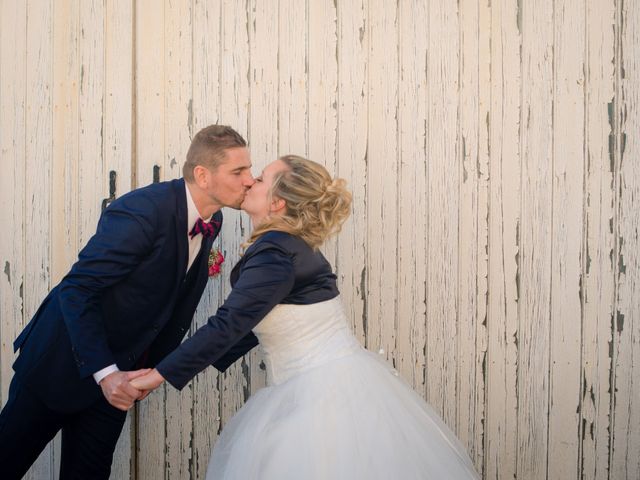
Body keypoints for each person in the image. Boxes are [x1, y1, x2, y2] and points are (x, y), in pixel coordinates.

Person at [131, 155, 480, 479]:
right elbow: (261, 322)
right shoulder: (288, 246)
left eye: (262, 178)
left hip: (321, 399)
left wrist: (158, 375)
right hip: (328, 385)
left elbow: (230, 323)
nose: (250, 181)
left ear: (278, 202)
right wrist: (171, 364)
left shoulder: (276, 253)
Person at [0, 125, 259, 479]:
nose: (249, 179)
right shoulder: (143, 211)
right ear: (203, 175)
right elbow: (77, 290)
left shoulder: (213, 218)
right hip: (60, 363)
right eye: (238, 171)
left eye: (249, 169)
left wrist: (142, 371)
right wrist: (105, 374)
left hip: (118, 380)